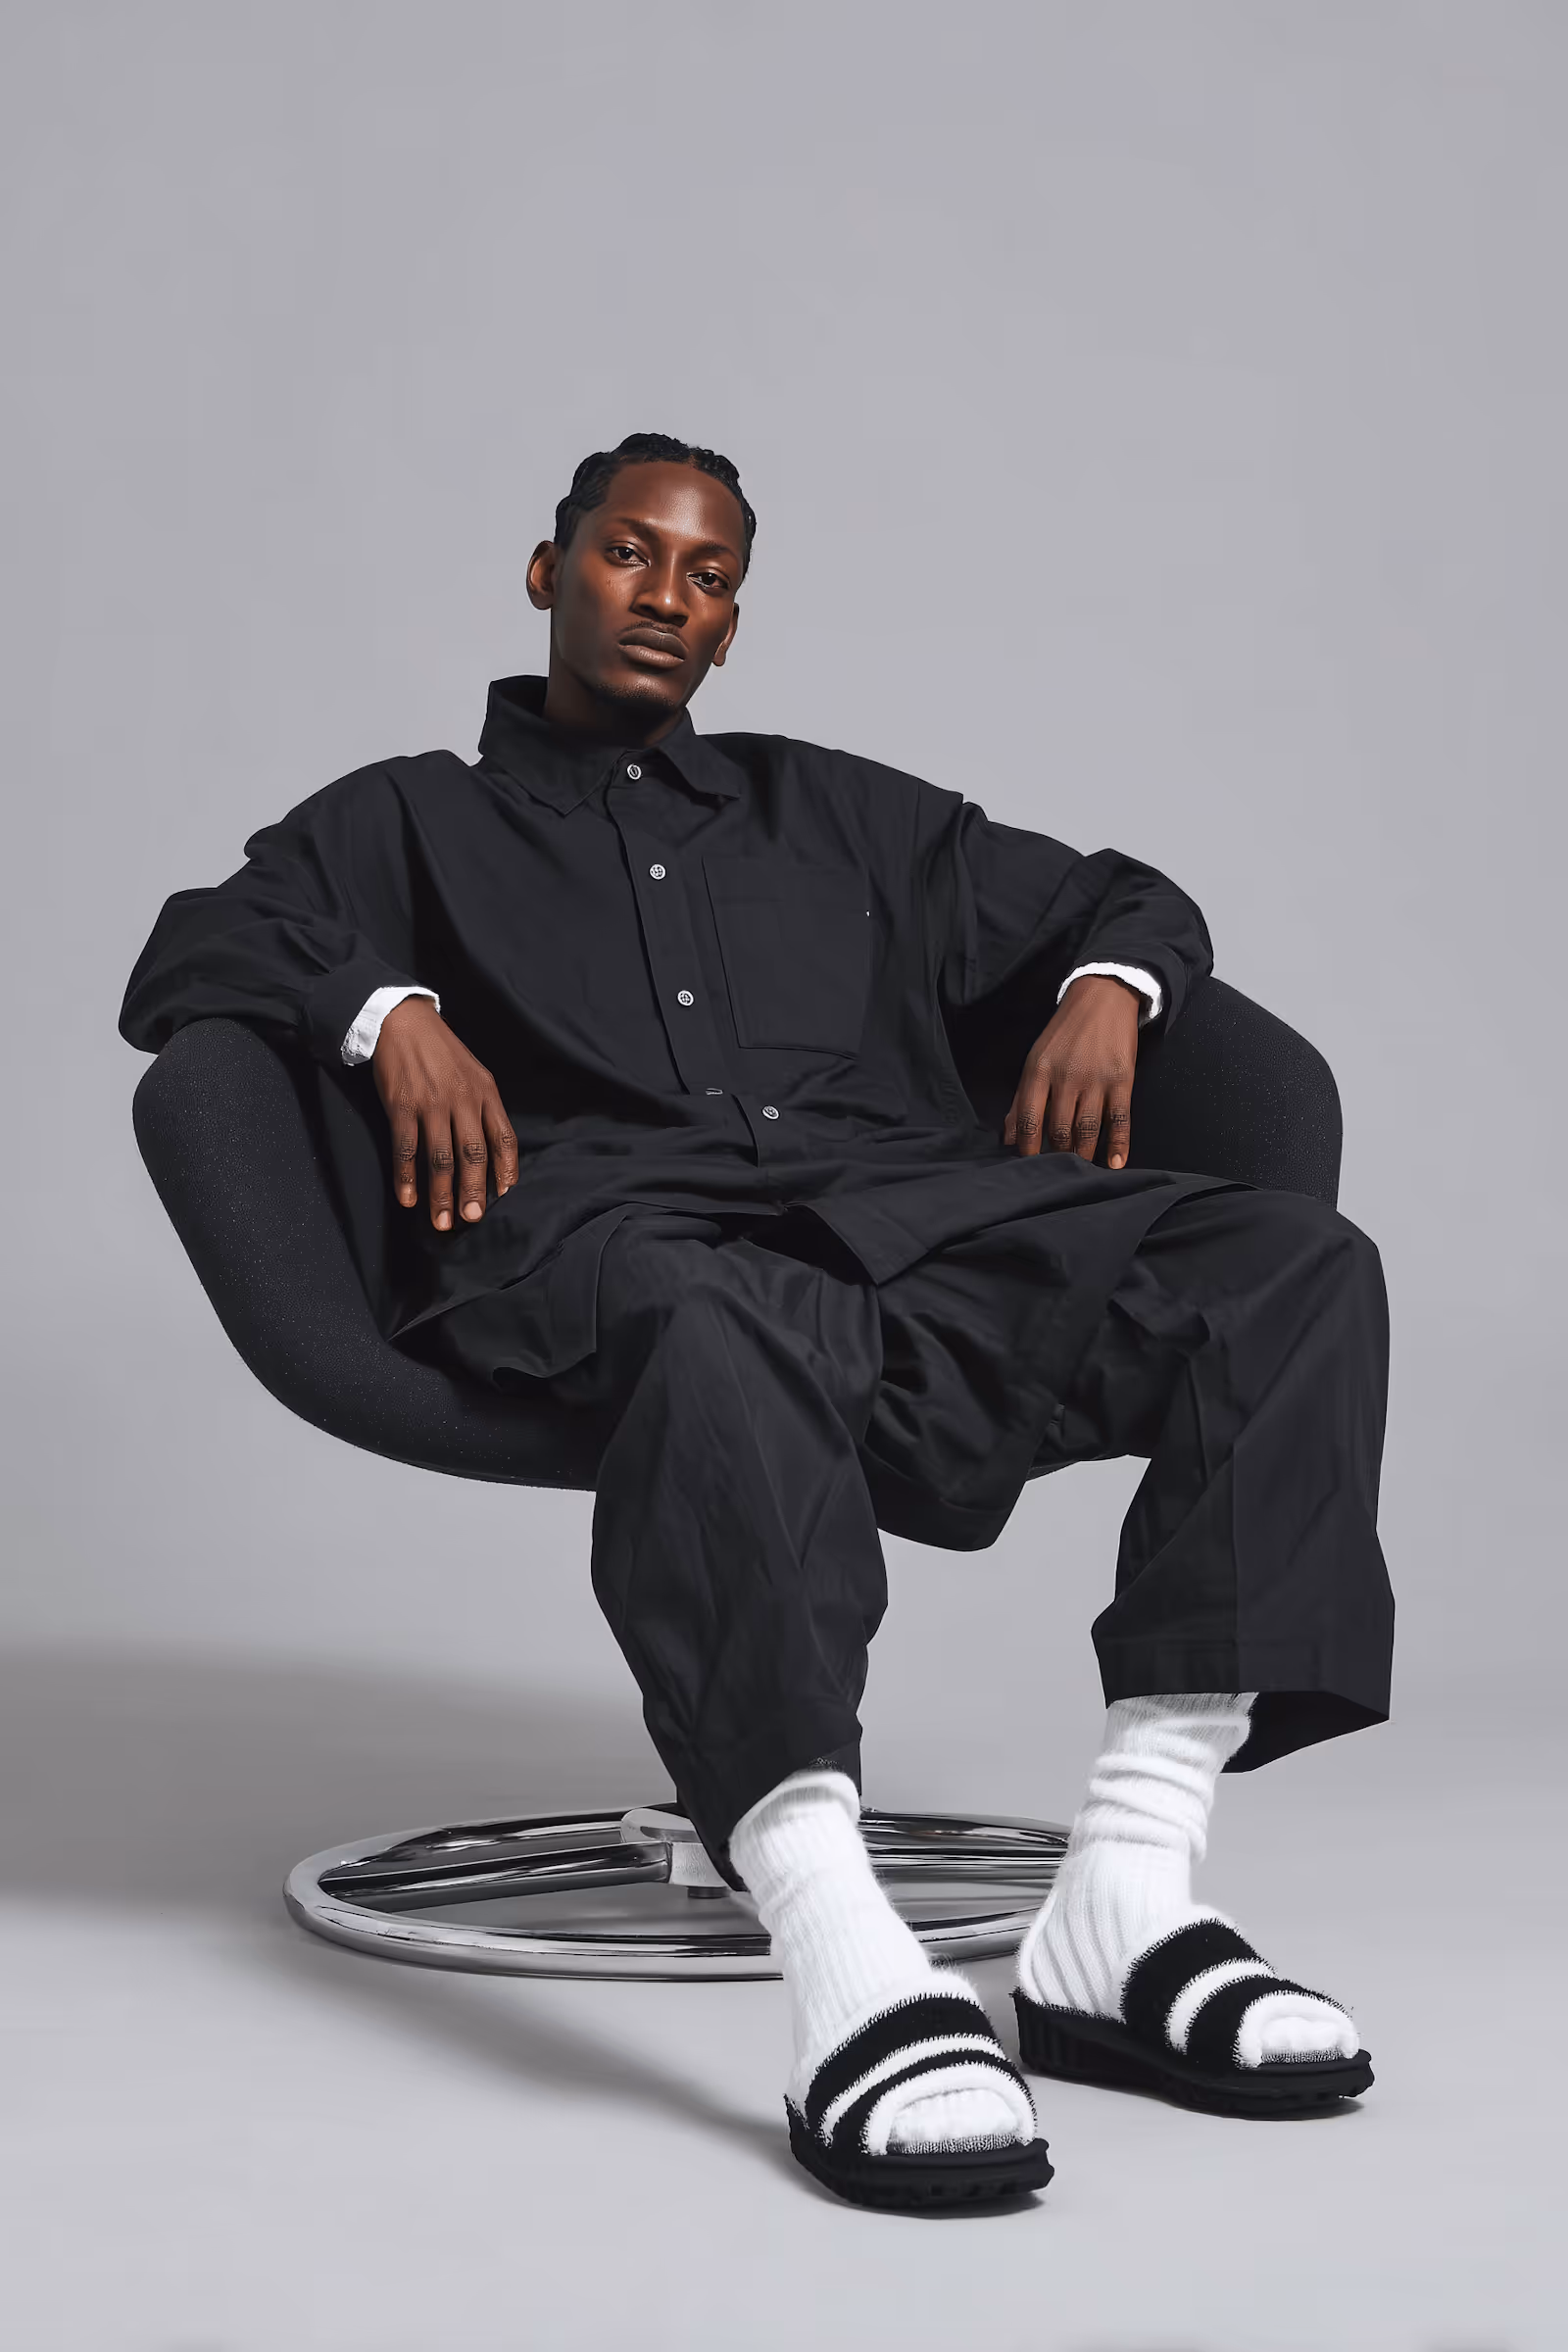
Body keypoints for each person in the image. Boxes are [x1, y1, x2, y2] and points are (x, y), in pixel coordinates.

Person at [122, 432, 1393, 2210]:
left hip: (915, 1236)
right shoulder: (401, 820)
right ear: (549, 570)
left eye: (707, 576)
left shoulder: (835, 809)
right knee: (719, 1310)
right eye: (631, 555)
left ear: (730, 630)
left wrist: (1110, 986)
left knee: (1291, 1265)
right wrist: (383, 1008)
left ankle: (1129, 1895)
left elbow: (1125, 896)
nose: (666, 594)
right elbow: (196, 949)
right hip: (607, 1248)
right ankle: (838, 1947)